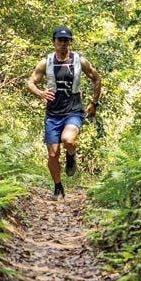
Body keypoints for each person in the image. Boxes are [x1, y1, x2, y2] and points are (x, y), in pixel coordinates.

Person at [26, 26, 102, 200]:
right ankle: (58, 187)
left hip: (73, 110)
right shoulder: (46, 62)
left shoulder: (79, 60)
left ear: (71, 42)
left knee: (68, 139)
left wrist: (93, 103)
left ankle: (71, 155)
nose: (62, 44)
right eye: (59, 40)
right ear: (54, 42)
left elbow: (96, 78)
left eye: (66, 40)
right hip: (53, 113)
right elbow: (30, 83)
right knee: (52, 154)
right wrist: (40, 93)